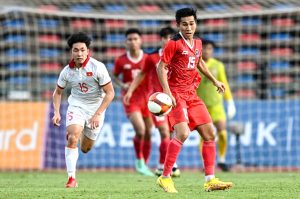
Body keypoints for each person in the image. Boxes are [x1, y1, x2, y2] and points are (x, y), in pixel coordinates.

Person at [155, 7, 233, 193]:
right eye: (184, 24)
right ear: (178, 25)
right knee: (182, 134)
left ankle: (210, 180)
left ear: (195, 24)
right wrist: (167, 92)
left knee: (209, 134)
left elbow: (199, 62)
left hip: (192, 94)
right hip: (177, 95)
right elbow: (161, 67)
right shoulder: (173, 44)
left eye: (191, 23)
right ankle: (165, 177)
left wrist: (215, 80)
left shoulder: (198, 42)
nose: (188, 27)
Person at [52, 32, 115, 188]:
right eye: (75, 50)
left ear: (88, 51)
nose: (79, 53)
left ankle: (77, 133)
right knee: (72, 138)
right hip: (77, 106)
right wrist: (57, 112)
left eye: (82, 50)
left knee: (86, 148)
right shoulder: (66, 71)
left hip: (96, 109)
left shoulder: (98, 67)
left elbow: (110, 93)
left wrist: (97, 114)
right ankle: (71, 179)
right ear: (71, 52)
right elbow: (57, 92)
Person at [123, 27, 180, 177]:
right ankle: (162, 166)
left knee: (173, 132)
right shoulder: (152, 57)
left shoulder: (179, 56)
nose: (168, 41)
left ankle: (168, 163)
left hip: (176, 98)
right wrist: (129, 91)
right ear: (160, 39)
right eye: (165, 38)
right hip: (158, 101)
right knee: (163, 131)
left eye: (171, 38)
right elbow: (141, 74)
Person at [113, 28, 154, 176]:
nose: (133, 42)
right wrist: (121, 84)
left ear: (141, 40)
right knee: (141, 130)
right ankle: (139, 161)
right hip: (131, 99)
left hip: (148, 99)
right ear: (126, 42)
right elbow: (115, 76)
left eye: (135, 39)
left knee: (149, 132)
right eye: (130, 39)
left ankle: (145, 164)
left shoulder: (148, 58)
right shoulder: (121, 60)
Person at [197, 40, 236, 172]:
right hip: (200, 105)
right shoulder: (195, 64)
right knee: (204, 136)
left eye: (209, 48)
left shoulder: (218, 65)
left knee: (223, 132)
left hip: (216, 106)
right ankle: (205, 162)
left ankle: (222, 159)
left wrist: (230, 102)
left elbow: (224, 83)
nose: (207, 51)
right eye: (205, 49)